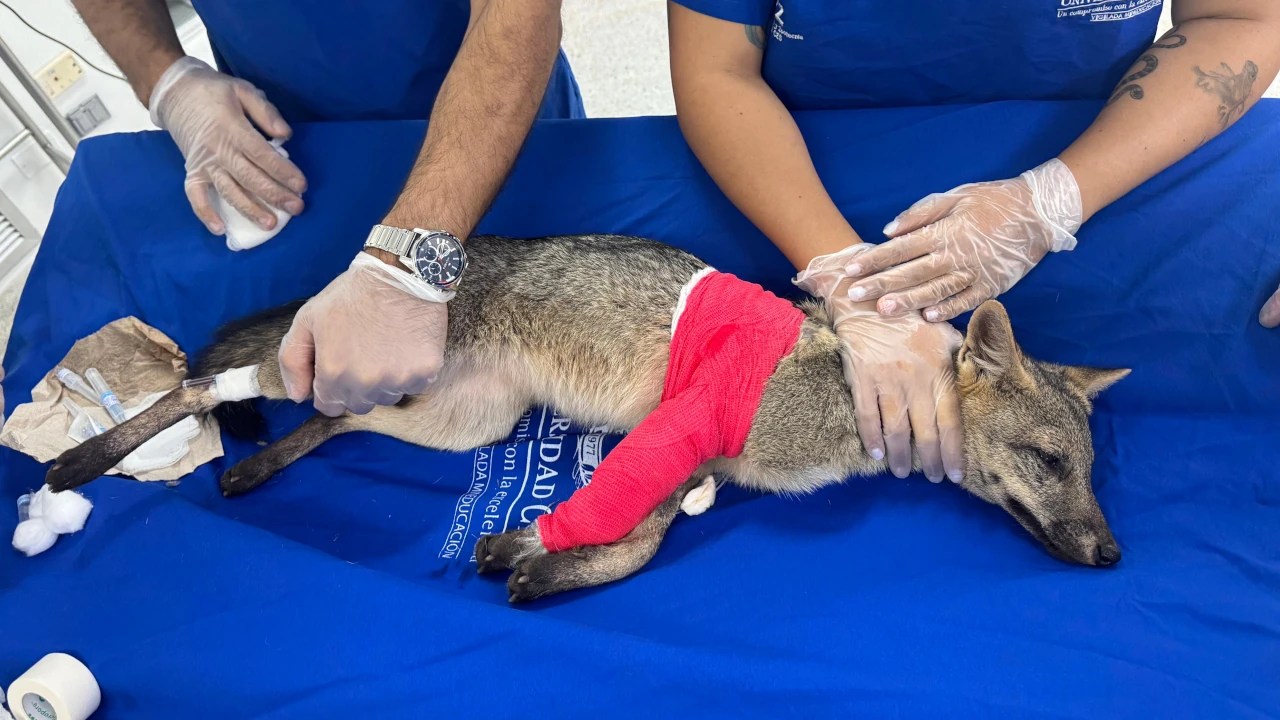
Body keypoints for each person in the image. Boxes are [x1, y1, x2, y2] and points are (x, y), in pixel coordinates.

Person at [668, 0, 1280, 483]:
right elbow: (716, 67)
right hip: (798, 164)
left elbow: (1241, 17)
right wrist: (847, 274)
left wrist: (1053, 198)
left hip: (1109, 148)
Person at [74, 0, 580, 417]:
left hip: (489, 111)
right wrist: (166, 78)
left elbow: (516, 10)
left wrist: (405, 265)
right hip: (285, 133)